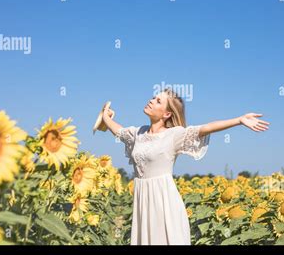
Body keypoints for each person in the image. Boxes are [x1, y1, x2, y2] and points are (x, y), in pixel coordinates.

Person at [102, 88, 270, 245]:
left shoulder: (174, 135)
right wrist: (106, 117)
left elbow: (205, 128)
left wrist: (239, 120)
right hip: (142, 200)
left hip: (164, 201)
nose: (152, 101)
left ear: (167, 113)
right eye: (154, 97)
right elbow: (119, 131)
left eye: (158, 101)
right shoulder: (138, 133)